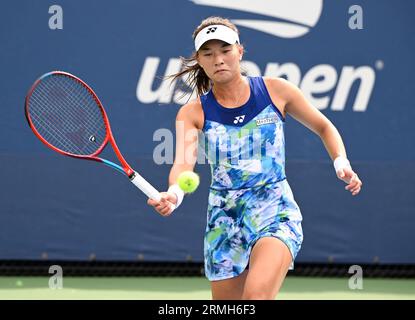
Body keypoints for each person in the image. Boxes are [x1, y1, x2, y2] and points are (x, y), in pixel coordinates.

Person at [147, 16, 362, 300]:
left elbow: (324, 127)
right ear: (199, 60)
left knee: (257, 297)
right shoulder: (193, 112)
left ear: (239, 50)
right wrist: (174, 194)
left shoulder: (276, 91)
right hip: (224, 218)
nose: (218, 59)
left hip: (274, 209)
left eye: (225, 50)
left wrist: (340, 161)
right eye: (208, 53)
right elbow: (183, 166)